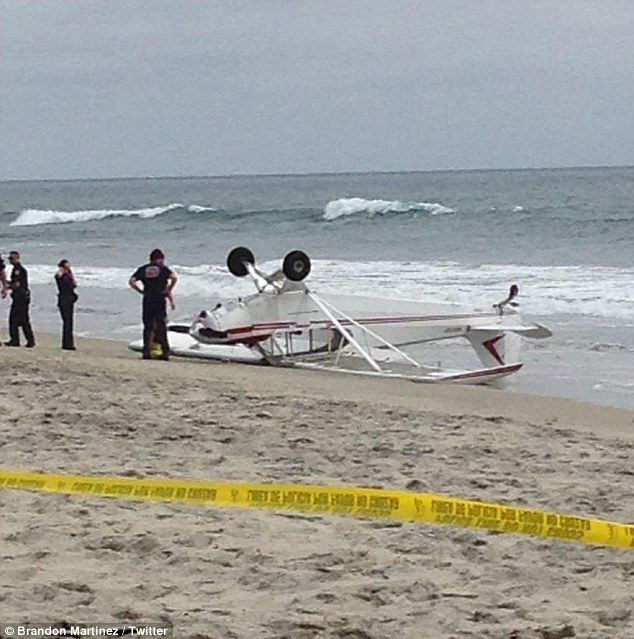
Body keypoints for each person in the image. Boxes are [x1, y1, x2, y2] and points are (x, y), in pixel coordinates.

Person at [128, 249, 177, 360]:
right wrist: (169, 288)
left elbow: (131, 281)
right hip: (159, 299)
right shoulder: (163, 269)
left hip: (148, 299)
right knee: (161, 326)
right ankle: (165, 352)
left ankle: (146, 351)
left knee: (148, 326)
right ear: (160, 259)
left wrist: (140, 291)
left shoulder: (144, 269)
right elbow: (174, 278)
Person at [5, 250, 35, 348]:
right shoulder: (15, 269)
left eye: (12, 258)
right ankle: (22, 340)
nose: (10, 260)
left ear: (17, 258)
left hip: (21, 297)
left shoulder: (19, 270)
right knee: (20, 319)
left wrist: (7, 286)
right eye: (10, 258)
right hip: (20, 297)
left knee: (17, 319)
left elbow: (17, 284)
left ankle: (19, 340)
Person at [55, 259, 78, 350]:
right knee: (67, 322)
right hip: (65, 300)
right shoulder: (62, 276)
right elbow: (72, 284)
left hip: (67, 299)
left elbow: (74, 284)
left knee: (68, 322)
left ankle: (67, 343)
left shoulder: (67, 275)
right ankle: (67, 344)